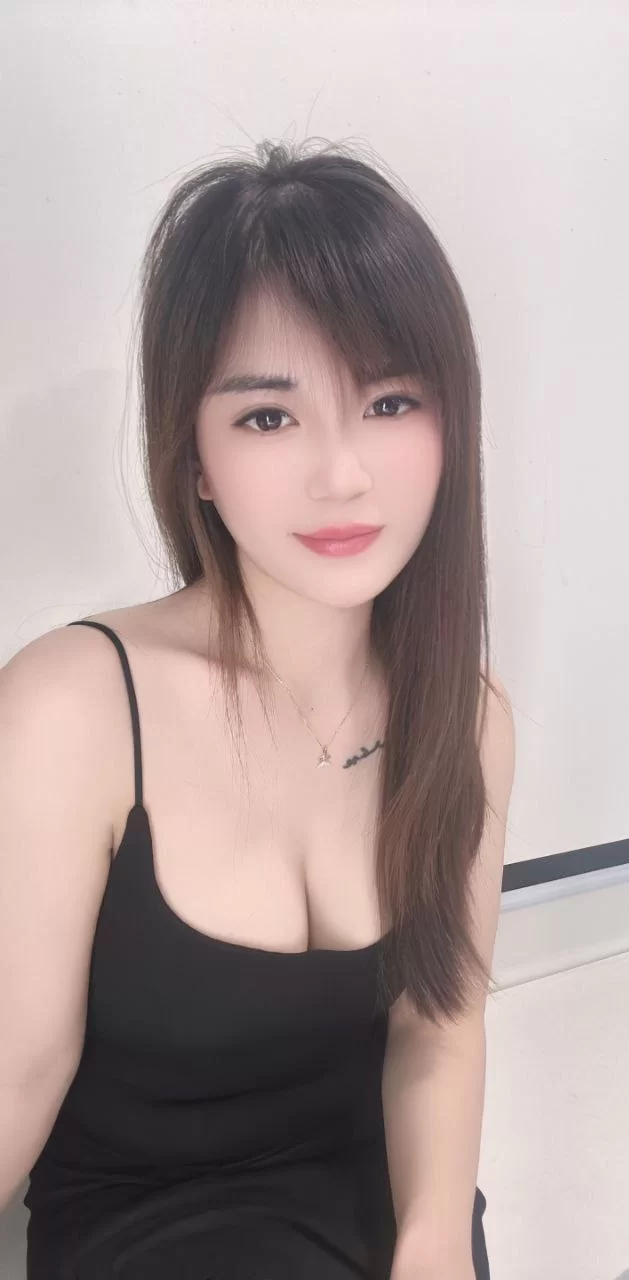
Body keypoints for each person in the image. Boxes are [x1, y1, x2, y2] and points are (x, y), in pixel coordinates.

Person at [0, 138, 515, 1279]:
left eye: (389, 400)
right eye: (270, 418)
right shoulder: (74, 710)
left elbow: (440, 1024)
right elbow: (15, 1073)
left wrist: (434, 1244)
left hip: (385, 1197)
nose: (343, 474)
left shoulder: (467, 716)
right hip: (157, 1229)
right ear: (194, 455)